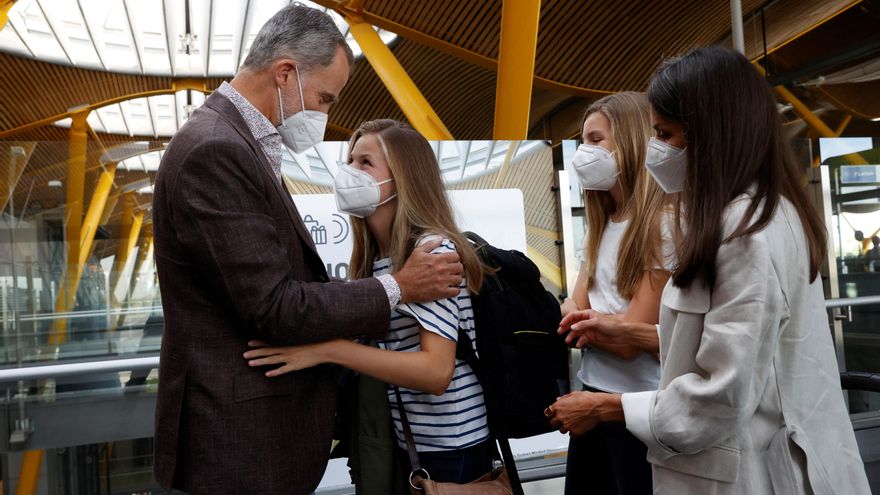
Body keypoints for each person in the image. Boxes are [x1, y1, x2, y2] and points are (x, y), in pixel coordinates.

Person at [151, 7, 464, 495]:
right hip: (239, 440)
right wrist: (399, 287)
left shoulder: (232, 143)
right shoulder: (217, 149)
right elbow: (275, 305)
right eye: (324, 98)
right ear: (285, 74)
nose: (324, 113)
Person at [551, 46, 871, 494]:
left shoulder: (743, 234)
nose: (656, 150)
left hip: (754, 468)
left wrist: (608, 408)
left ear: (709, 133)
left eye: (664, 133)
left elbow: (719, 394)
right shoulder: (768, 214)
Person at [243, 119, 496, 487]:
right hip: (403, 441)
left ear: (403, 178)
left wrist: (328, 350)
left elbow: (436, 372)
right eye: (349, 161)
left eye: (366, 163)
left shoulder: (429, 252)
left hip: (449, 446)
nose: (350, 172)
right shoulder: (375, 258)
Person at [557, 91, 671, 494]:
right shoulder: (601, 223)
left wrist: (593, 323)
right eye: (583, 141)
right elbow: (573, 311)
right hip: (591, 394)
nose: (583, 152)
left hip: (636, 408)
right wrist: (598, 324)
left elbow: (629, 340)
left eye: (595, 139)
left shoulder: (663, 224)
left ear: (632, 140)